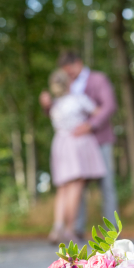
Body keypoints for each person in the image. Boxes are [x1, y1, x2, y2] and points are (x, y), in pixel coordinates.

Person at [40, 50, 118, 238]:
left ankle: (112, 233)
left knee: (106, 186)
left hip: (99, 140)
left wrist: (90, 125)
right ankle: (75, 229)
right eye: (65, 72)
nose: (69, 75)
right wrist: (47, 105)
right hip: (76, 144)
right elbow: (57, 113)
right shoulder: (66, 87)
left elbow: (109, 106)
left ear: (78, 63)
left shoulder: (98, 79)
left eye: (70, 70)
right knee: (77, 185)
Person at [47, 68, 106, 244]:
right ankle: (69, 229)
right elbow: (98, 113)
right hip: (77, 144)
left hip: (60, 144)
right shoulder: (78, 100)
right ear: (69, 83)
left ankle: (57, 226)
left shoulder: (55, 105)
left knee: (62, 189)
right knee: (75, 188)